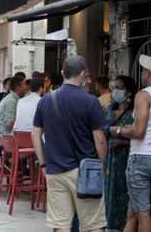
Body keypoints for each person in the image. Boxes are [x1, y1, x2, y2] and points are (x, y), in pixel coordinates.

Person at [31, 55, 107, 231]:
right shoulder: (90, 101)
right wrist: (100, 167)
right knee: (94, 224)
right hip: (84, 170)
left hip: (55, 170)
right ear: (82, 74)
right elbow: (100, 140)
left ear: (63, 72)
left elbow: (35, 135)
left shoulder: (45, 100)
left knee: (61, 224)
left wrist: (43, 164)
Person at [110, 55, 151, 232]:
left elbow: (138, 132)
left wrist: (118, 130)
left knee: (144, 214)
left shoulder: (143, 95)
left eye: (145, 70)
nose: (143, 73)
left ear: (148, 73)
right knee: (134, 212)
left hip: (140, 158)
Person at [104, 75, 137, 231]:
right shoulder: (110, 108)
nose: (116, 90)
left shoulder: (135, 112)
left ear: (129, 92)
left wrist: (123, 142)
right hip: (110, 158)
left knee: (124, 192)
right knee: (109, 191)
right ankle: (110, 225)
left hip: (126, 158)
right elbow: (102, 129)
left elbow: (139, 135)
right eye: (114, 87)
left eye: (120, 87)